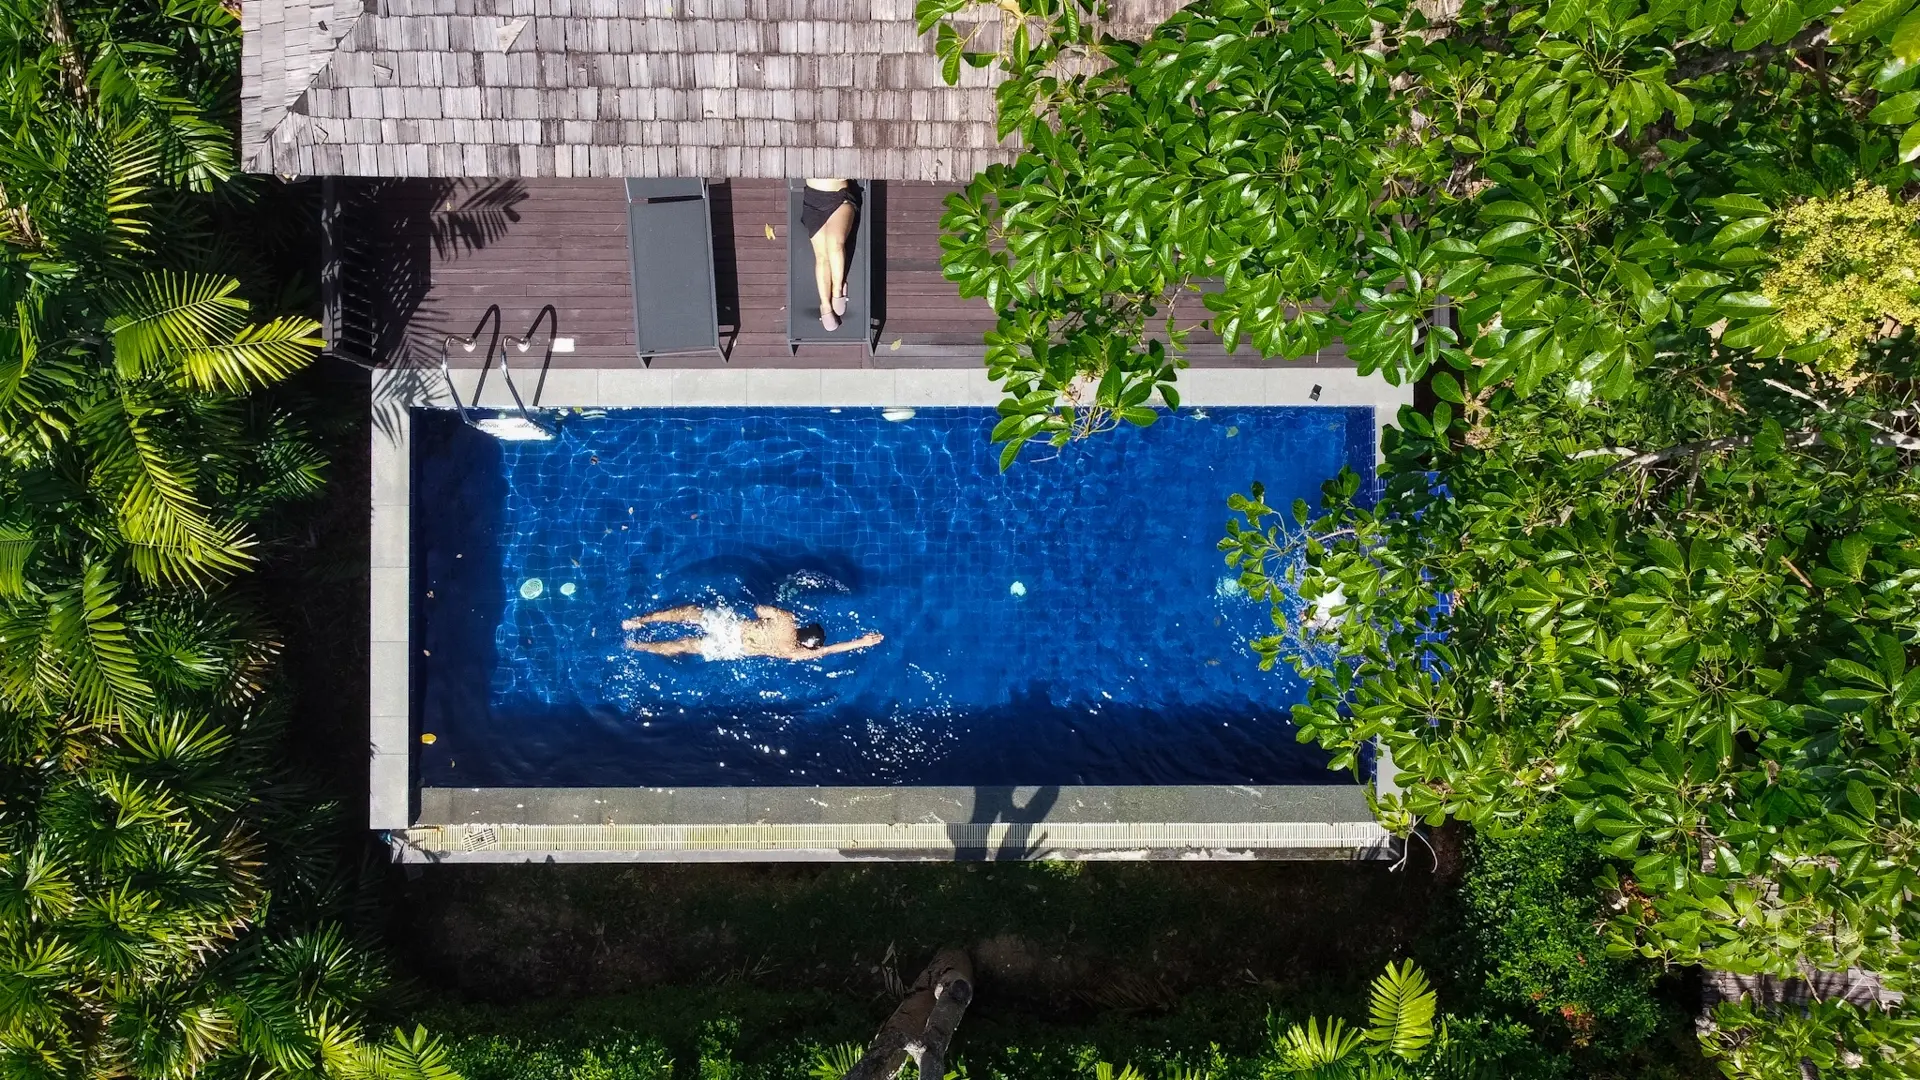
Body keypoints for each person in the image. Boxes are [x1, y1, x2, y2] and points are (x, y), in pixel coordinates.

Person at [622, 603, 883, 661]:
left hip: (731, 627)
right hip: (733, 649)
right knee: (685, 645)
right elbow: (829, 650)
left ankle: (641, 620)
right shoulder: (792, 652)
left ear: (803, 628)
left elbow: (759, 609)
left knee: (690, 613)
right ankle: (637, 647)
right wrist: (862, 641)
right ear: (808, 645)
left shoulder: (786, 620)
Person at [801, 178, 860, 331]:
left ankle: (837, 291)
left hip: (839, 198)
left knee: (834, 244)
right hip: (812, 201)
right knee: (821, 256)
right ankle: (825, 306)